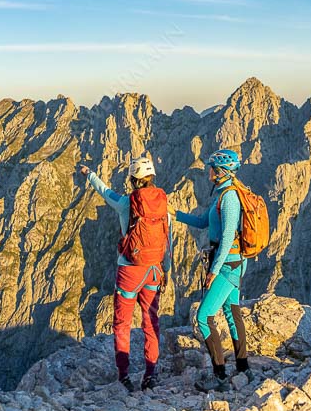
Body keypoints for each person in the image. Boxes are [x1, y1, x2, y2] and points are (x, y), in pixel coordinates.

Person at [79, 155, 169, 391]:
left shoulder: (126, 202)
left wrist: (89, 174)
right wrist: (165, 269)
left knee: (122, 323)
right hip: (154, 269)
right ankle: (151, 374)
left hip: (130, 269)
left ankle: (124, 376)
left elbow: (104, 191)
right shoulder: (162, 202)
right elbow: (166, 238)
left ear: (133, 179)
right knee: (151, 323)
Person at [174, 148, 250, 390]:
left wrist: (214, 270)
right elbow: (202, 221)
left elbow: (228, 236)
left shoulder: (229, 197)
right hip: (232, 261)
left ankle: (219, 376)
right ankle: (242, 367)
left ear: (220, 172)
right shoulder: (221, 195)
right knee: (231, 312)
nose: (208, 172)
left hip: (228, 262)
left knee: (203, 317)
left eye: (211, 168)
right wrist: (173, 213)